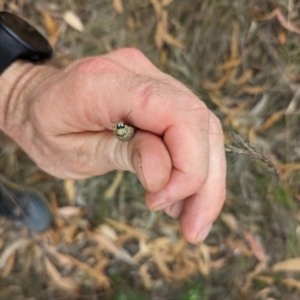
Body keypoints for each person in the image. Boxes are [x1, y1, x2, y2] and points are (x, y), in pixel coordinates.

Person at [0, 48, 226, 244]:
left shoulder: (124, 129)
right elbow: (123, 132)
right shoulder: (123, 130)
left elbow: (124, 132)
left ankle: (6, 200)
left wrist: (18, 90)